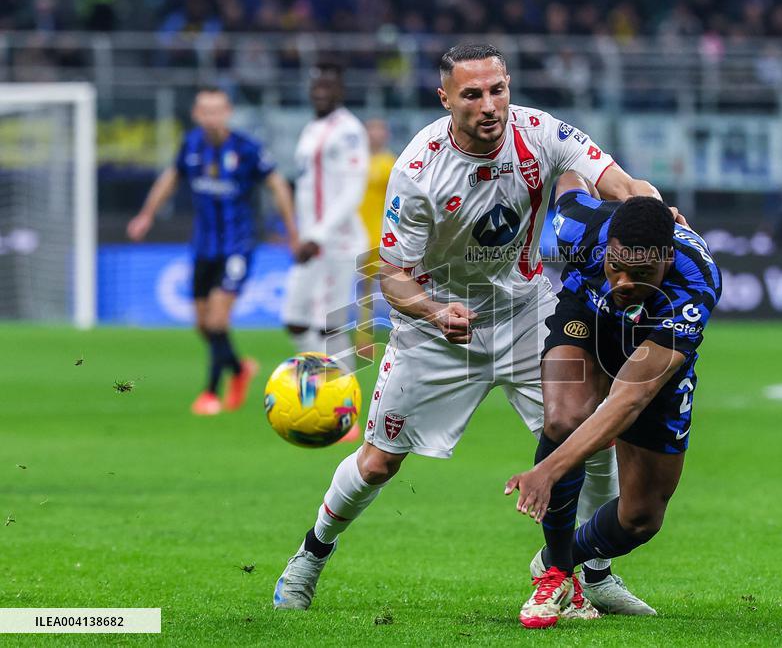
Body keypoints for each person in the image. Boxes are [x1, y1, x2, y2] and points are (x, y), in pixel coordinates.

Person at [272, 44, 661, 616]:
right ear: (446, 98)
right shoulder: (418, 168)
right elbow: (393, 277)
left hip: (528, 314)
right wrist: (433, 311)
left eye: (497, 90)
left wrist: (653, 213)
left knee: (590, 434)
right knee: (379, 461)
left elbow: (620, 184)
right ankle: (310, 556)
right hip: (438, 327)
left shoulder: (539, 131)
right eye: (472, 94)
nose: (489, 105)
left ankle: (594, 573)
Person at [504, 172, 721, 628]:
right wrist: (625, 186)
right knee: (563, 419)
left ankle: (555, 558)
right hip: (587, 322)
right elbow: (569, 173)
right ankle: (560, 576)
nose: (622, 281)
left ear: (666, 257)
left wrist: (547, 470)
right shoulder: (581, 225)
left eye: (639, 274)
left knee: (641, 517)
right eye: (614, 266)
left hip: (651, 347)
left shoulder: (694, 284)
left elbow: (628, 400)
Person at [127, 87, 297, 416]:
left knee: (218, 320)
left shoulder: (246, 149)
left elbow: (276, 184)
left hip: (238, 246)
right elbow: (171, 177)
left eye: (217, 110)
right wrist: (146, 214)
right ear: (196, 114)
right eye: (205, 110)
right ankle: (239, 368)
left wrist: (291, 232)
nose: (211, 117)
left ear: (228, 112)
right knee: (203, 326)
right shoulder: (191, 145)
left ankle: (210, 394)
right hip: (203, 246)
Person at [283, 63, 369, 384]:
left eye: (328, 86)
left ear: (341, 91)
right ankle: (321, 382)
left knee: (328, 324)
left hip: (338, 242)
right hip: (311, 242)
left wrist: (319, 234)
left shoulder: (348, 130)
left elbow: (352, 190)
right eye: (316, 86)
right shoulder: (311, 129)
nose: (321, 92)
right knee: (294, 319)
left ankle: (343, 400)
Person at [355, 117, 396, 361]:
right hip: (356, 236)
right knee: (363, 290)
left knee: (393, 287)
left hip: (381, 236)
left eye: (379, 131)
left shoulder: (391, 163)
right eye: (372, 131)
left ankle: (400, 335)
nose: (375, 136)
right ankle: (363, 338)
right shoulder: (355, 162)